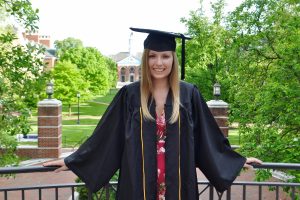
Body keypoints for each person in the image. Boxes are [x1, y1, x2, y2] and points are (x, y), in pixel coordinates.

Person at [44, 27, 262, 200]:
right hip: (137, 187)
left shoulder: (188, 94)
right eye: (153, 56)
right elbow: (107, 136)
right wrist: (73, 161)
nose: (159, 63)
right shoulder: (129, 95)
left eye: (165, 56)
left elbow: (209, 138)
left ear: (173, 60)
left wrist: (236, 160)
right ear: (146, 59)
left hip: (178, 188)